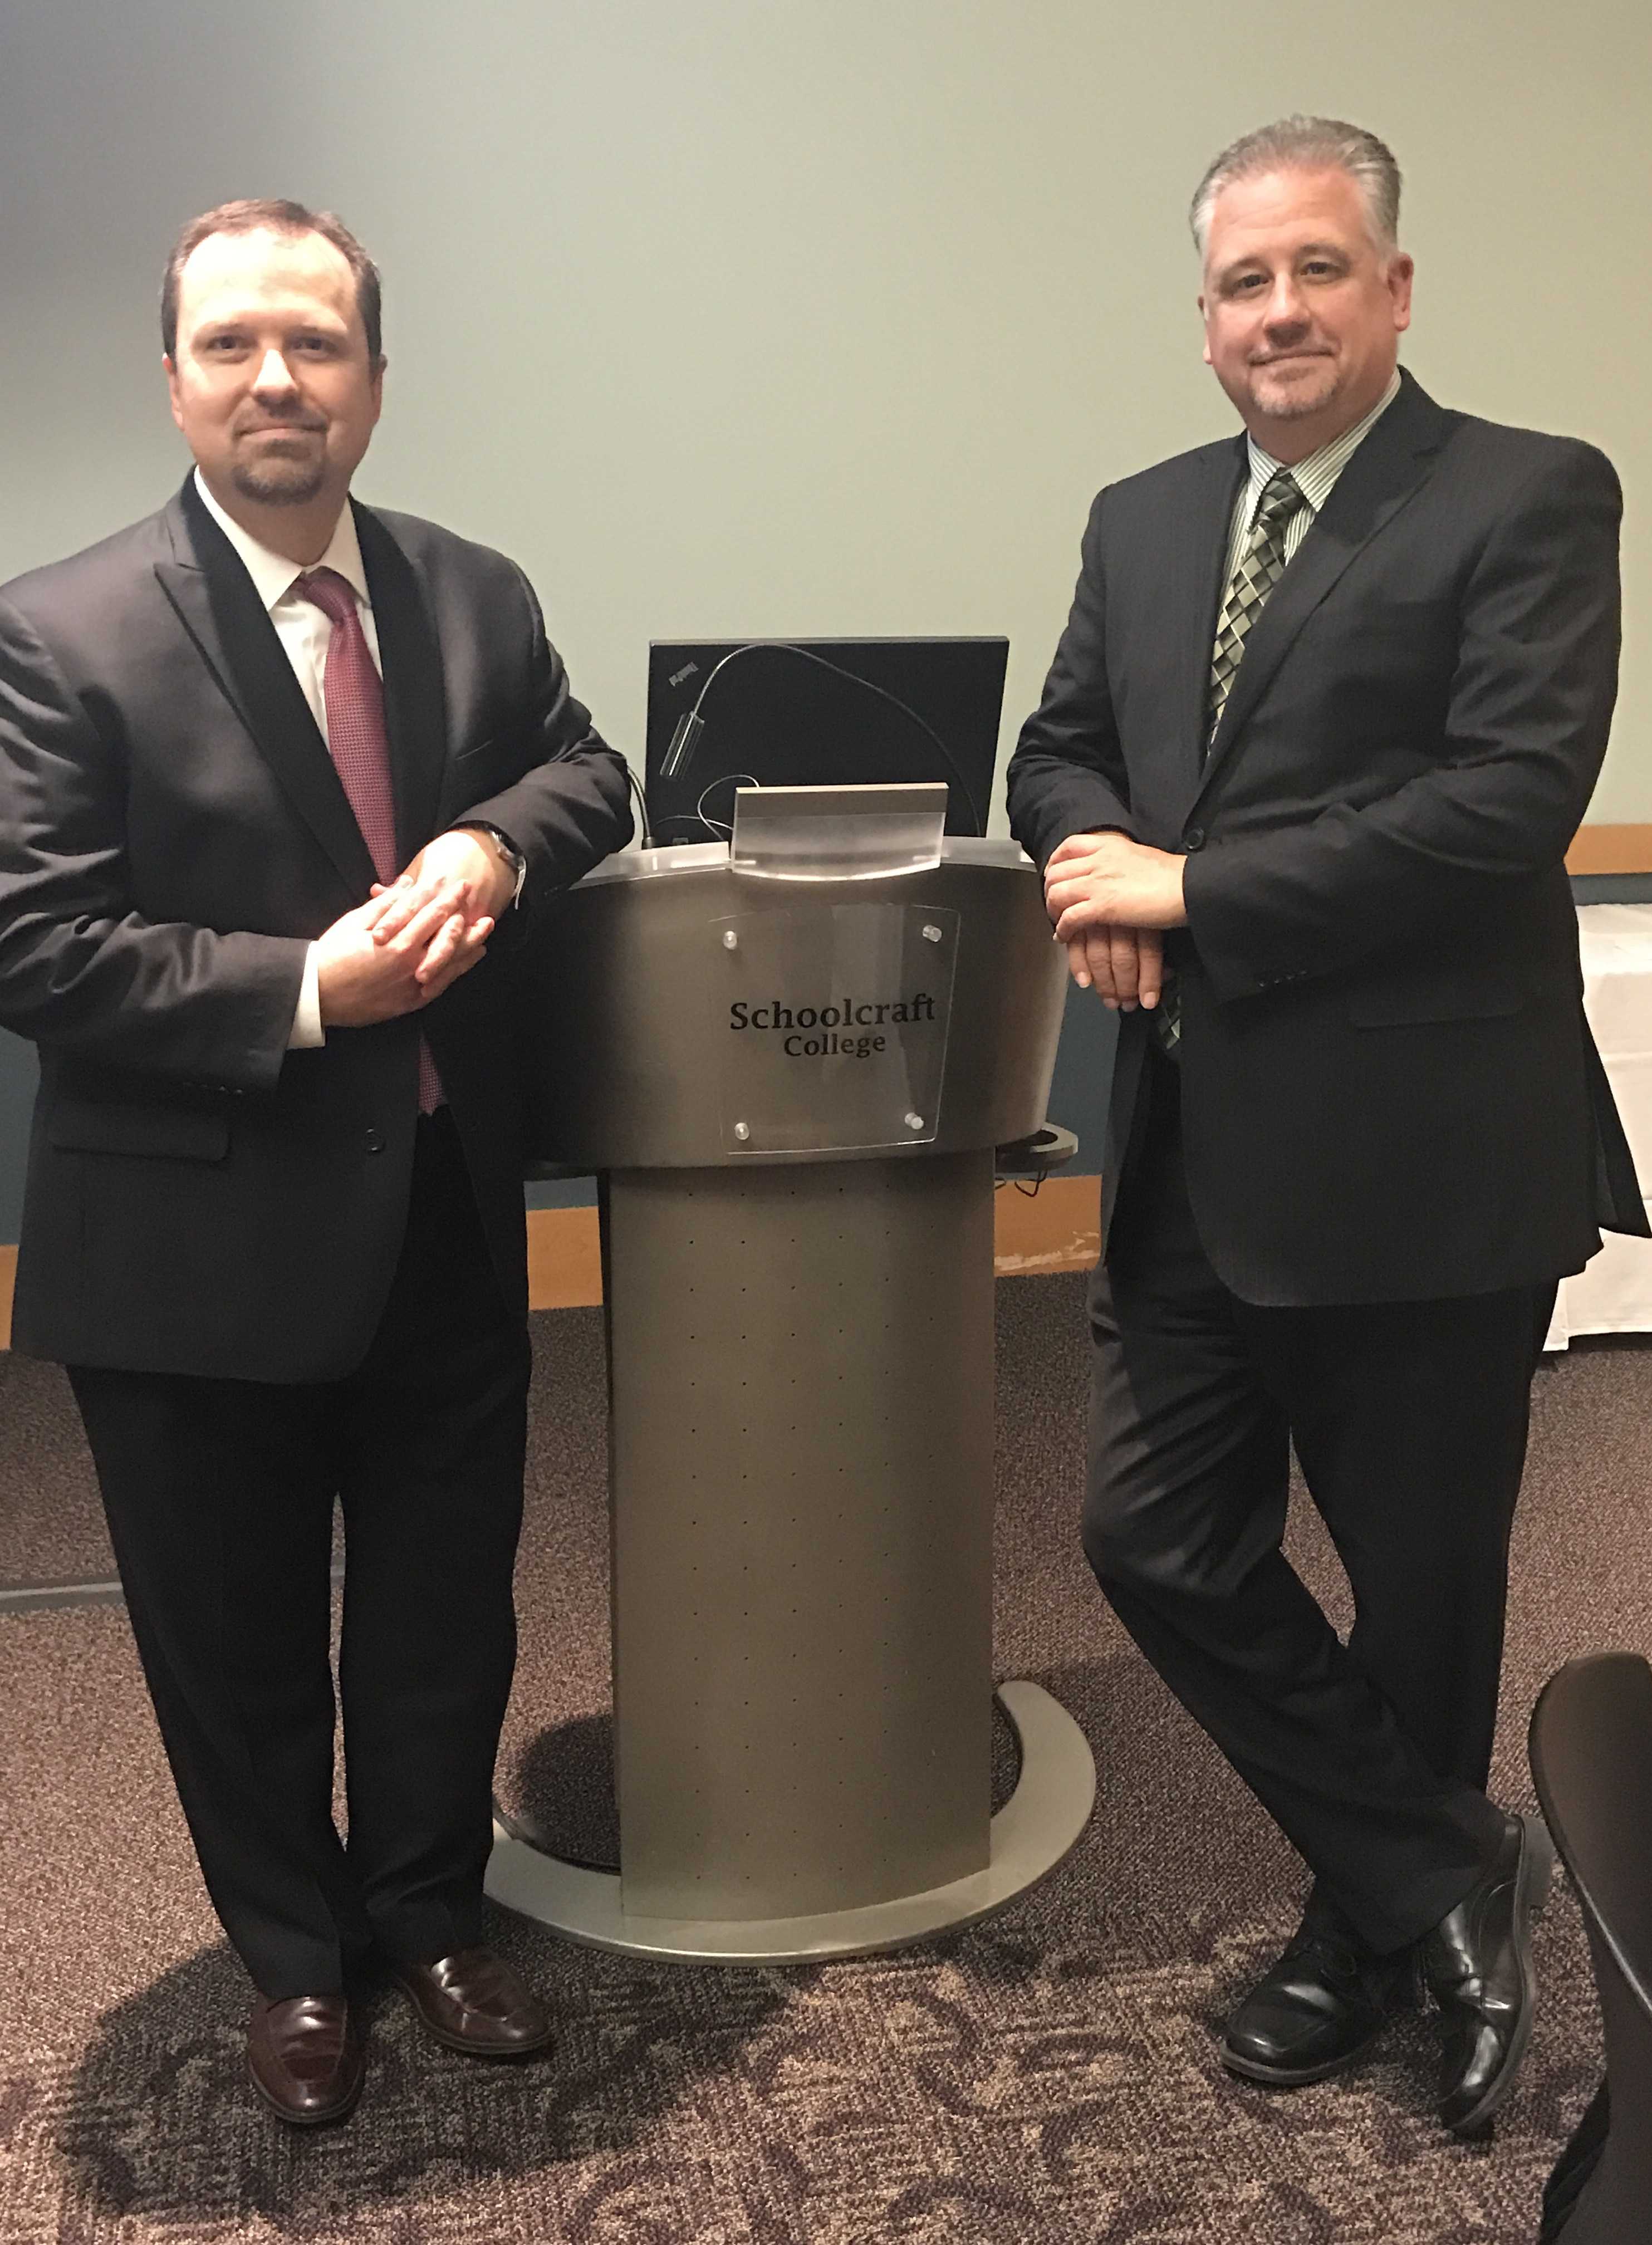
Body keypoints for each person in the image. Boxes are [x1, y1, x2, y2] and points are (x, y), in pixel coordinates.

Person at [1006, 117, 1646, 2134]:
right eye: (1239, 283)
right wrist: (1092, 850)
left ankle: (1360, 1932)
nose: (1275, 312)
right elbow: (1060, 745)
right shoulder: (1142, 516)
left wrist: (1188, 898)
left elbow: (1505, 801)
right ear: (1203, 318)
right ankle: (1442, 1871)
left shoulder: (1526, 493)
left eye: (1314, 270)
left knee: (1422, 1575)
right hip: (1195, 1142)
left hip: (1428, 1152)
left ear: (1391, 288)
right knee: (1154, 1534)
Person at [0, 200, 633, 2125]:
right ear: (174, 377)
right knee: (235, 1630)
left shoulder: (472, 592)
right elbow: (34, 940)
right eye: (234, 347)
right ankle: (296, 1959)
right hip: (193, 1241)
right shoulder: (58, 629)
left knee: (447, 1608)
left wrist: (500, 845)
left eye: (319, 345)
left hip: (442, 1213)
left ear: (374, 373)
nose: (279, 380)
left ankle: (432, 1911)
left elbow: (590, 767)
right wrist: (305, 989)